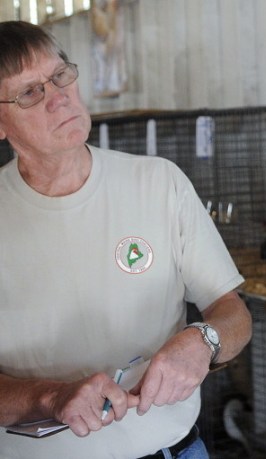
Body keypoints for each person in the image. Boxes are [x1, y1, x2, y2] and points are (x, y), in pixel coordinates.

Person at [0, 21, 252, 459]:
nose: (59, 96)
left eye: (60, 76)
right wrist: (49, 397)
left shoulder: (158, 182)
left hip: (172, 451)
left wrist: (202, 341)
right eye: (29, 93)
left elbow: (233, 314)